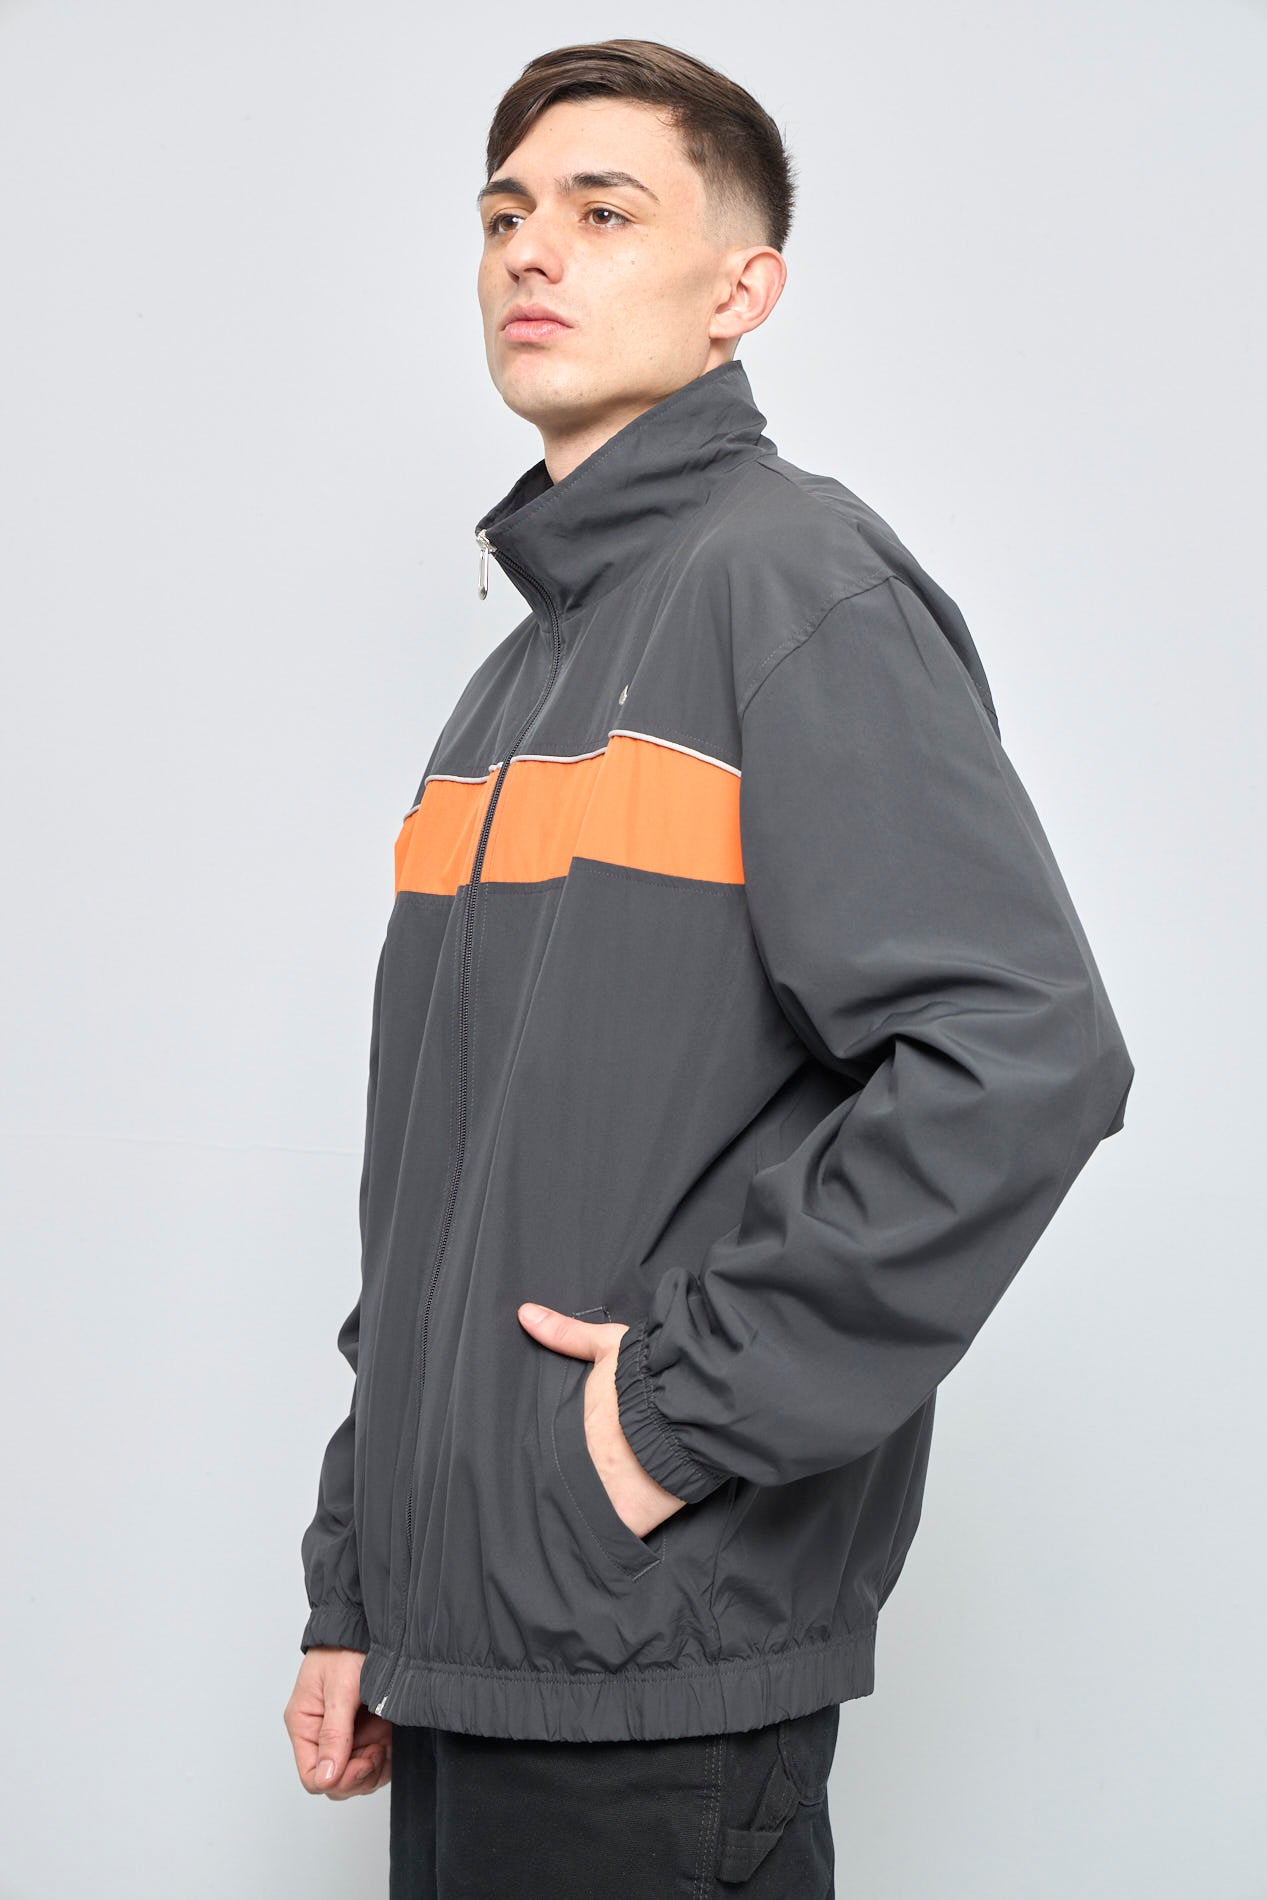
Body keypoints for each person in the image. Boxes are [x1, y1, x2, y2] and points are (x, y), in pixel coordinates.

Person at [283, 37, 1134, 1897]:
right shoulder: (511, 689)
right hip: (467, 1661)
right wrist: (359, 1587)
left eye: (605, 213)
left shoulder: (790, 584)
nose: (532, 250)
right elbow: (437, 1200)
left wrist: (669, 1420)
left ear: (741, 291)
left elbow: (1022, 1052)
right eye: (505, 214)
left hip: (647, 1667)